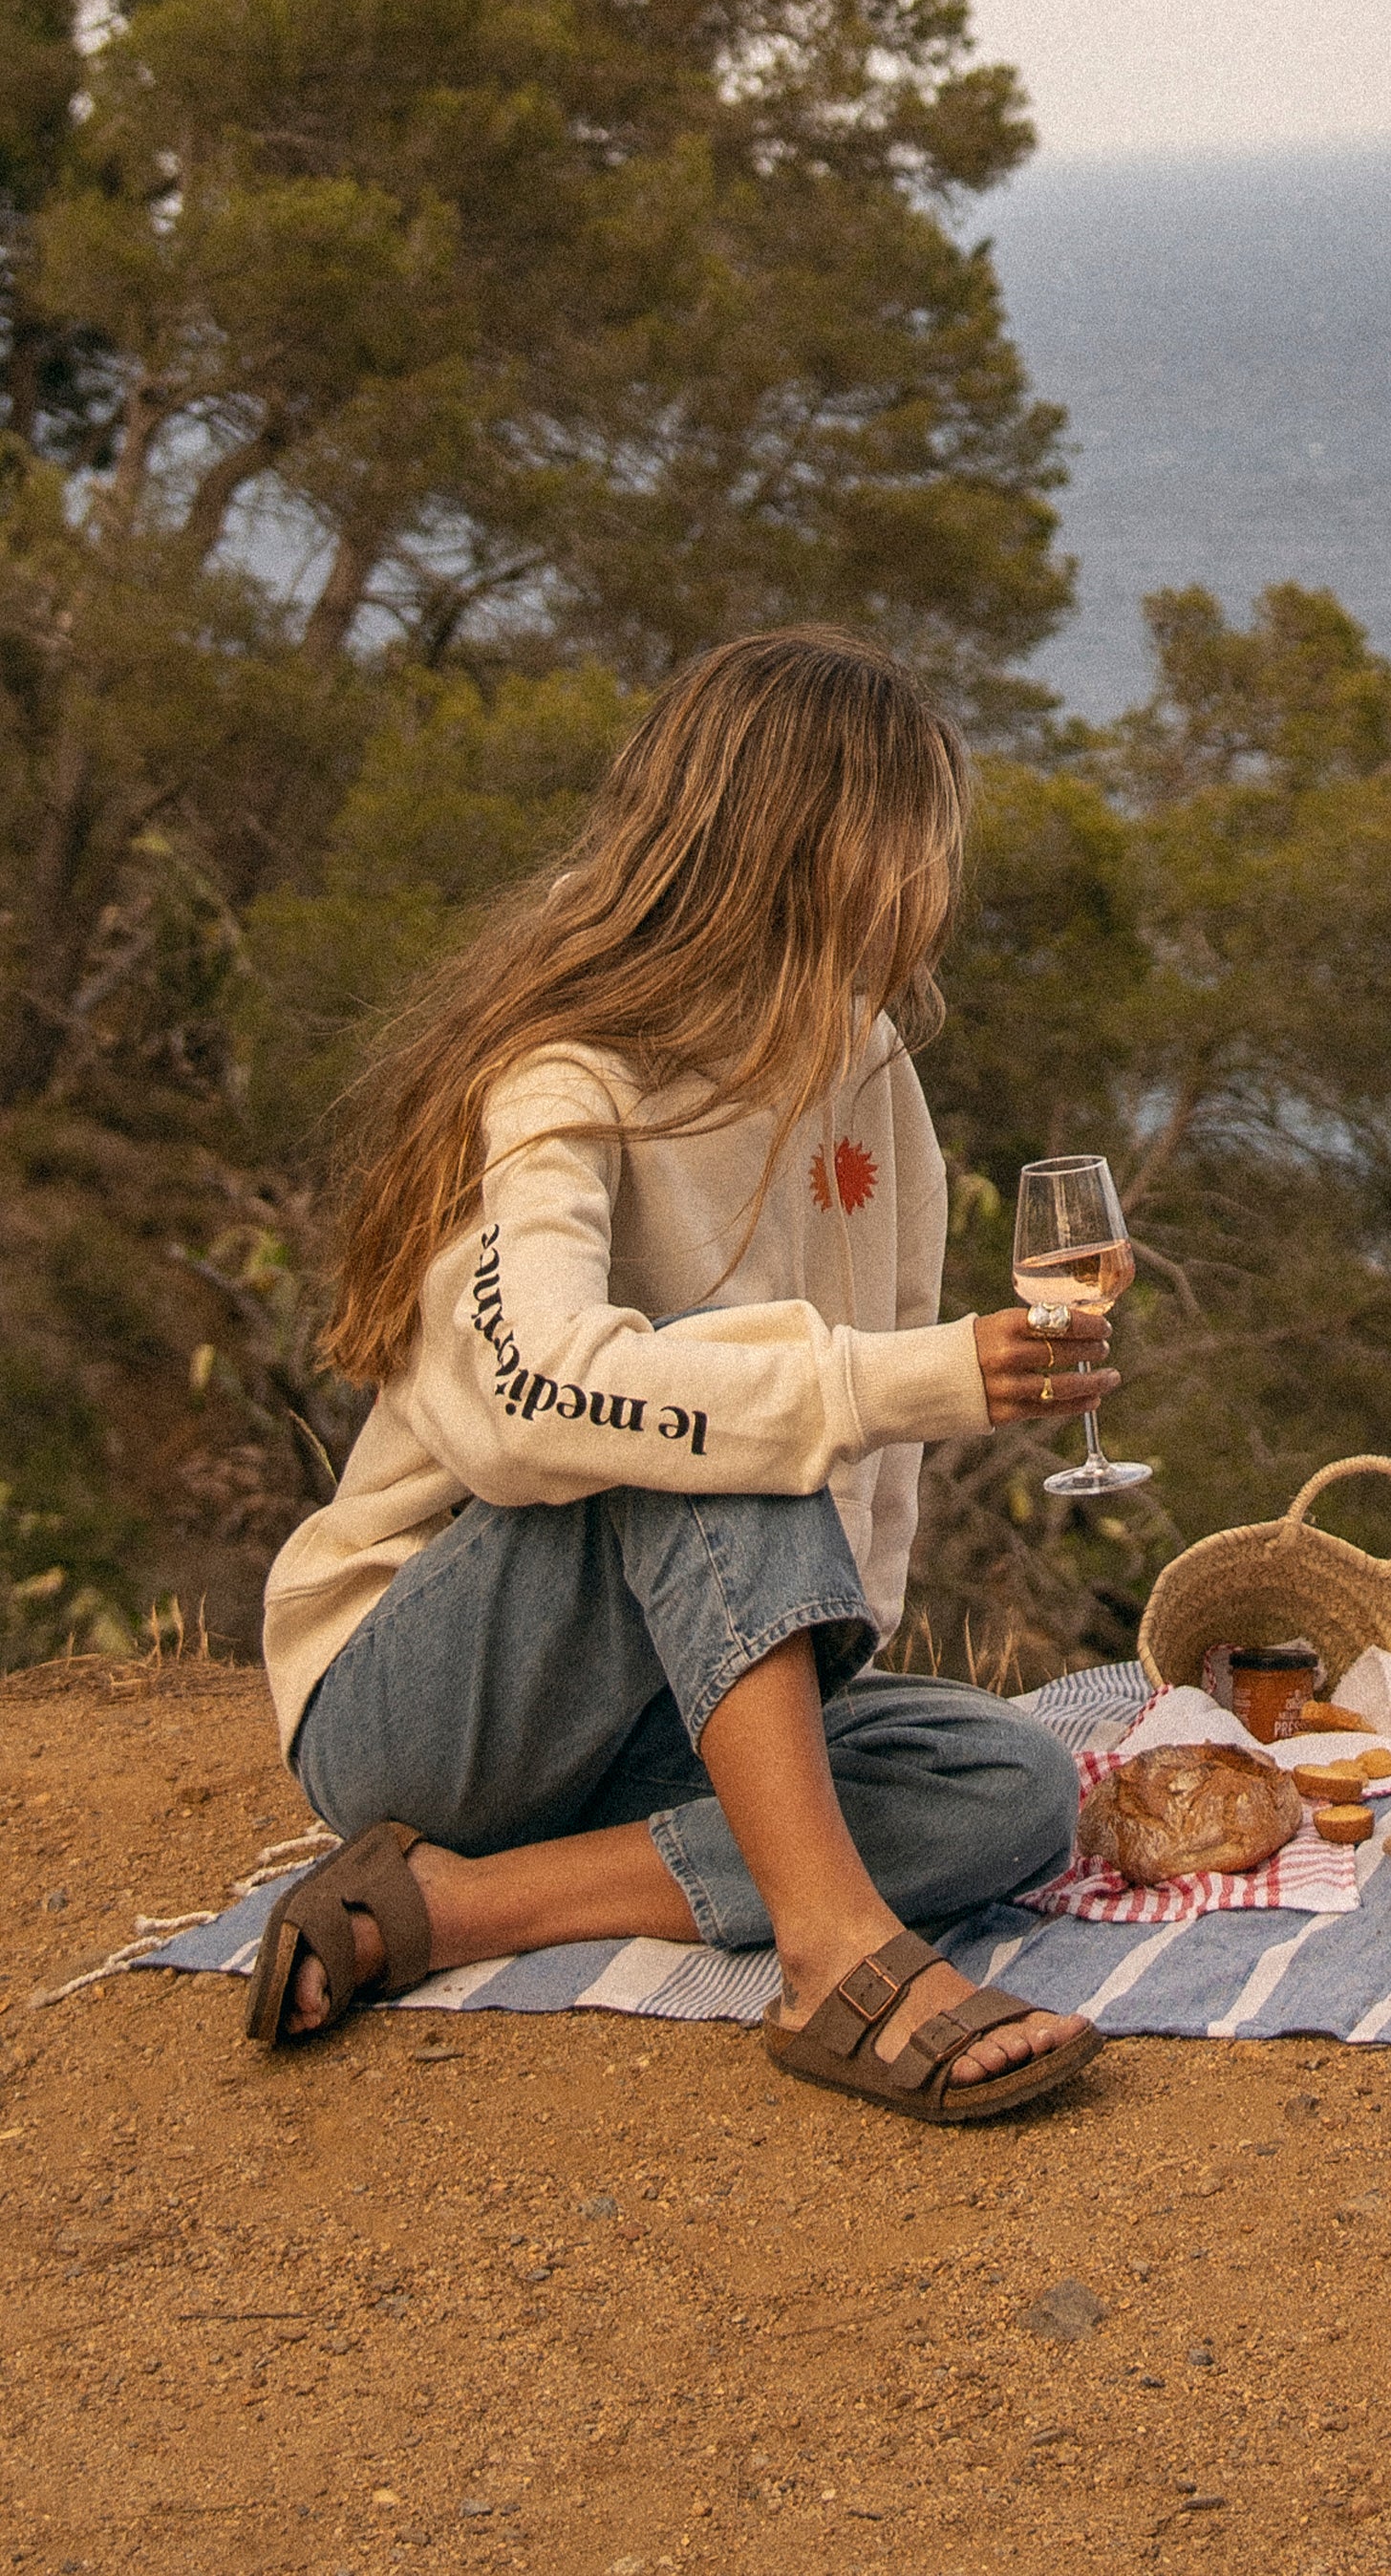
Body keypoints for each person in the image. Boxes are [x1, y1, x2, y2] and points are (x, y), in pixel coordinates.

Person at [248, 626, 1114, 2120]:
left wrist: (813, 1654)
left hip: (667, 1702)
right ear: (808, 842)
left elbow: (862, 1425)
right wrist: (889, 1385)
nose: (932, 881)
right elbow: (538, 1408)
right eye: (913, 833)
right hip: (421, 1704)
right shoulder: (565, 1074)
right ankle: (828, 1949)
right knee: (722, 1408)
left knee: (1014, 1788)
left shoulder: (866, 1069)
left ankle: (461, 1912)